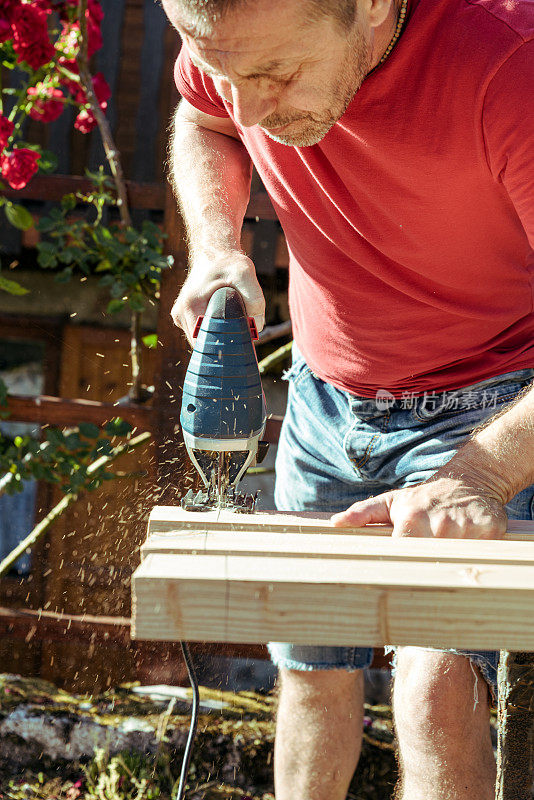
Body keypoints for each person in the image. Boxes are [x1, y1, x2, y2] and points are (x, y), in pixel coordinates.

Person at [160, 0, 534, 796]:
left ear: (368, 6)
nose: (249, 105)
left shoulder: (512, 67)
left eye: (275, 76)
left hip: (492, 404)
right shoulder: (244, 34)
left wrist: (482, 472)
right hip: (324, 400)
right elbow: (207, 120)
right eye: (228, 72)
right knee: (312, 673)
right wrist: (217, 248)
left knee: (440, 691)